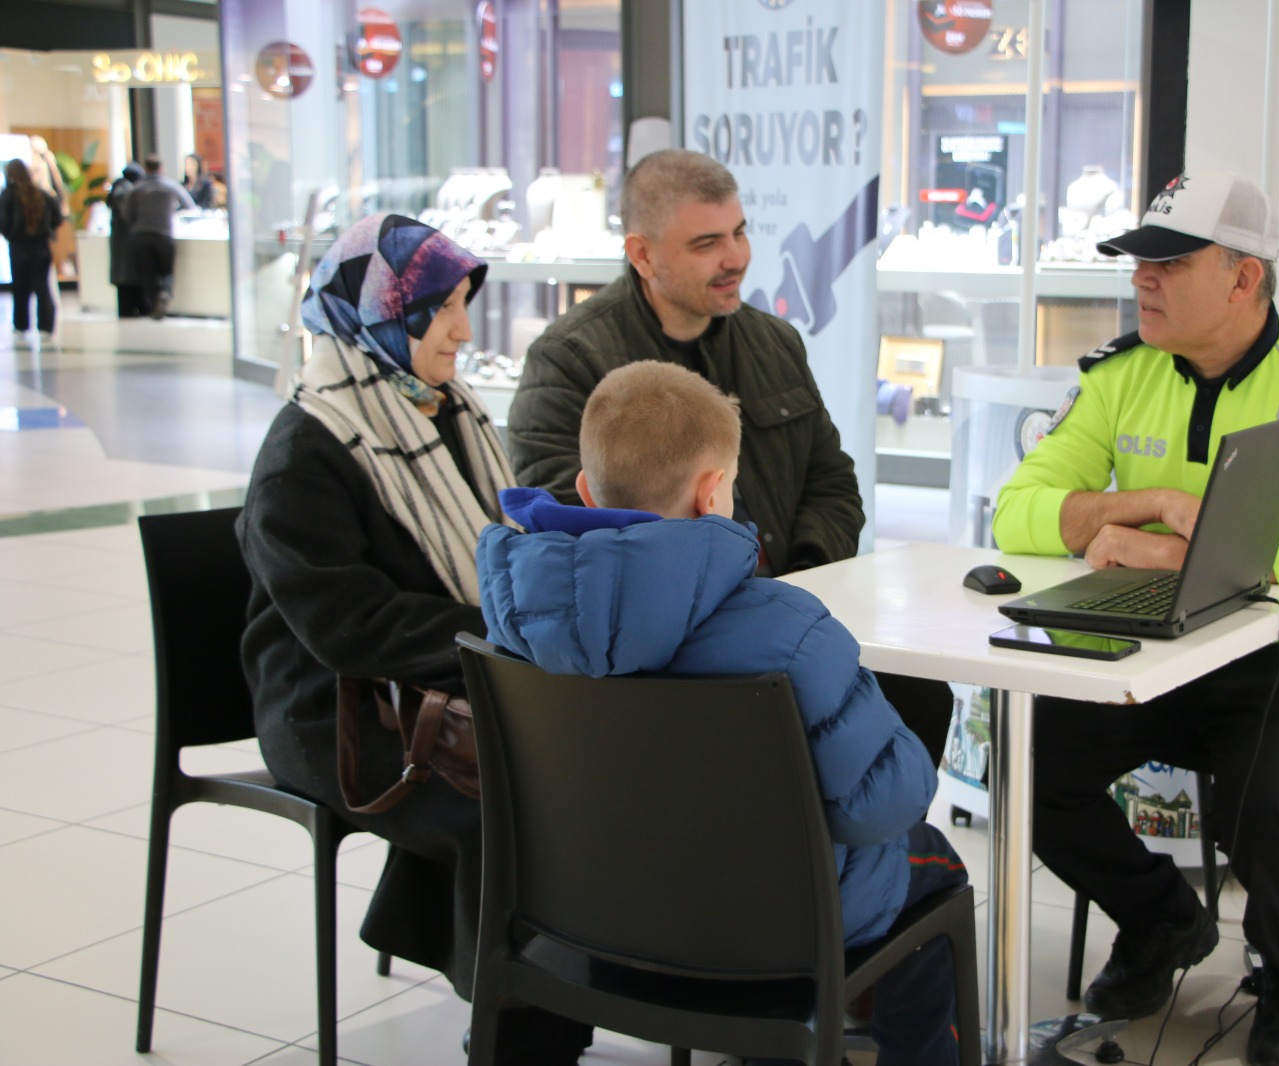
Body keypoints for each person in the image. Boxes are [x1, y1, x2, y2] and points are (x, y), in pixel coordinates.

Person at [993, 173, 1279, 1066]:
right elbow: (1016, 513)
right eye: (1140, 261)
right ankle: (1161, 920)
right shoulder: (1119, 376)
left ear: (1244, 278)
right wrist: (1143, 504)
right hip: (1153, 646)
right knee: (1027, 763)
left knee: (1269, 795)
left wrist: (1184, 541)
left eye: (1170, 263)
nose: (1143, 278)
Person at [479, 360, 970, 1066]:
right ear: (714, 493)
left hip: (586, 918)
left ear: (585, 490)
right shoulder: (789, 630)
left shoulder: (517, 621)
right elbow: (880, 805)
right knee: (934, 863)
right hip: (767, 933)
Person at [236, 214, 593, 1064]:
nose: (463, 331)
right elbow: (349, 627)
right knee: (524, 812)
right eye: (443, 310)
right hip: (337, 712)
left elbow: (504, 545)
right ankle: (519, 1028)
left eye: (463, 305)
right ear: (381, 316)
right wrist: (506, 634)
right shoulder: (307, 449)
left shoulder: (446, 410)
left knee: (595, 772)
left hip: (436, 685)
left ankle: (553, 991)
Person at [506, 147, 952, 766]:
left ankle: (818, 832)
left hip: (782, 619)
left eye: (739, 232)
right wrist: (732, 609)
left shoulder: (775, 343)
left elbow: (831, 483)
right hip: (658, 657)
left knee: (920, 698)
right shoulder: (570, 359)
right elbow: (566, 525)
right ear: (642, 255)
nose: (736, 257)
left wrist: (801, 586)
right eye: (707, 243)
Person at [0, 158, 64, 347]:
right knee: (42, 287)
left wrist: (11, 235)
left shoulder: (8, 195)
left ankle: (21, 325)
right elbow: (57, 217)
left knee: (20, 287)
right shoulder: (41, 194)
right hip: (41, 246)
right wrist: (48, 231)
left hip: (19, 247)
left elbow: (3, 221)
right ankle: (46, 327)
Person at [123, 155, 195, 319]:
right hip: (164, 233)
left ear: (146, 169)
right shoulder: (171, 186)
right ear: (161, 168)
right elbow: (190, 206)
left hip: (142, 235)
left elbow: (127, 214)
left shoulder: (137, 188)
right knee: (167, 270)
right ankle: (165, 292)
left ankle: (154, 302)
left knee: (148, 273)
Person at [106, 162, 146, 318]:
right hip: (126, 240)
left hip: (122, 240)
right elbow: (129, 215)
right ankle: (131, 308)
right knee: (127, 275)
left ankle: (129, 307)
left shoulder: (119, 188)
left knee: (125, 276)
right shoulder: (125, 191)